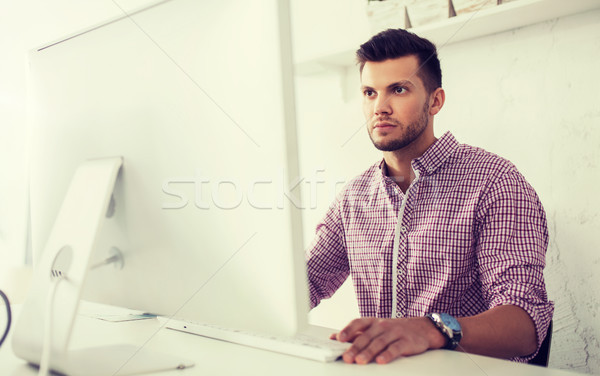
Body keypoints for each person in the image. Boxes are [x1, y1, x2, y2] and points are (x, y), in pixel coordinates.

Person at [305, 29, 554, 365]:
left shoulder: (496, 183)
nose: (380, 107)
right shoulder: (354, 198)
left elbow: (525, 327)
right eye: (369, 92)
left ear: (435, 100)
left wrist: (431, 329)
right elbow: (304, 284)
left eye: (398, 89)